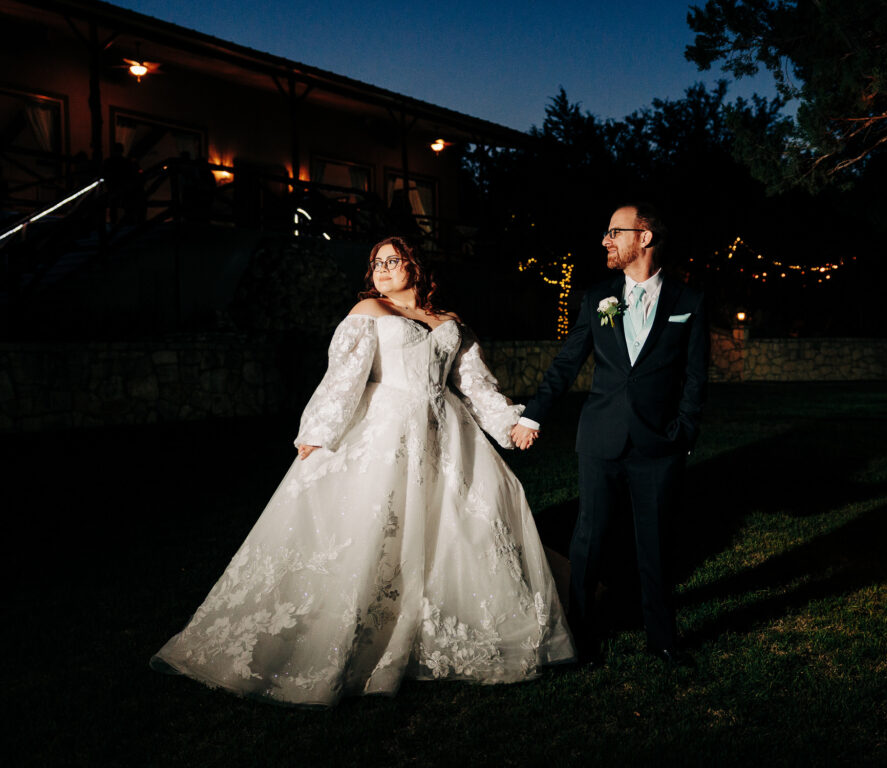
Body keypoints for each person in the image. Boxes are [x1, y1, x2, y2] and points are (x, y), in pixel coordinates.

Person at [151, 236, 574, 705]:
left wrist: (510, 424)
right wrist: (319, 430)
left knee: (457, 525)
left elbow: (474, 386)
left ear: (415, 266)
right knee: (377, 528)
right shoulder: (369, 311)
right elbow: (343, 376)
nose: (384, 269)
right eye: (376, 263)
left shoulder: (451, 322)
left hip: (446, 434)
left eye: (394, 260)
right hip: (386, 431)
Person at [511, 203, 708, 666]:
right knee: (590, 539)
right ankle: (579, 638)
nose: (605, 240)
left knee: (656, 543)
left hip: (659, 443)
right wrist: (533, 416)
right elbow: (566, 363)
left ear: (645, 237)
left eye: (614, 232)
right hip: (600, 439)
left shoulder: (688, 301)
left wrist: (684, 431)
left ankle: (662, 639)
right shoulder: (597, 297)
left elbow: (696, 377)